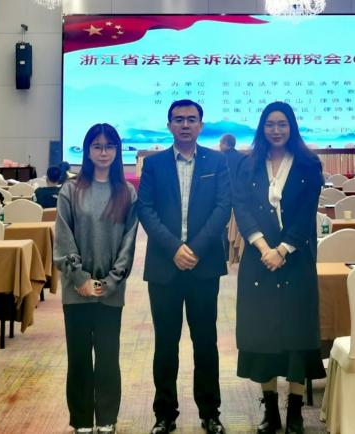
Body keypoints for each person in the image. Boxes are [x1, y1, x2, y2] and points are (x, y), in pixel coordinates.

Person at [137, 100, 231, 434]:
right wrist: (175, 248)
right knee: (166, 344)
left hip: (204, 266)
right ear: (169, 126)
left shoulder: (217, 162)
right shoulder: (154, 164)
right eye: (179, 119)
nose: (185, 124)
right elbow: (145, 209)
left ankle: (210, 412)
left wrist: (195, 249)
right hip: (164, 267)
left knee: (205, 342)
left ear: (201, 126)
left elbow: (223, 208)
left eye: (192, 119)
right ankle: (164, 414)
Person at [233, 101, 326, 434]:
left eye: (282, 124)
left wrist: (283, 250)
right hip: (259, 261)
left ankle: (295, 412)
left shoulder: (308, 164)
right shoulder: (248, 164)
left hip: (296, 259)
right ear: (262, 128)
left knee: (297, 335)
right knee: (263, 335)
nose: (276, 130)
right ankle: (270, 411)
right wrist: (264, 248)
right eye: (270, 124)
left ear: (292, 127)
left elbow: (305, 214)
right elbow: (242, 208)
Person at [54, 123, 138, 434]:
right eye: (97, 146)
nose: (104, 152)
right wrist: (80, 278)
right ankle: (81, 420)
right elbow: (63, 238)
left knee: (107, 357)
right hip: (76, 290)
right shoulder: (71, 190)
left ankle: (106, 418)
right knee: (78, 357)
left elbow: (129, 243)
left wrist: (111, 281)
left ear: (117, 151)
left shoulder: (126, 192)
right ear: (88, 151)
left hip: (110, 291)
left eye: (109, 146)